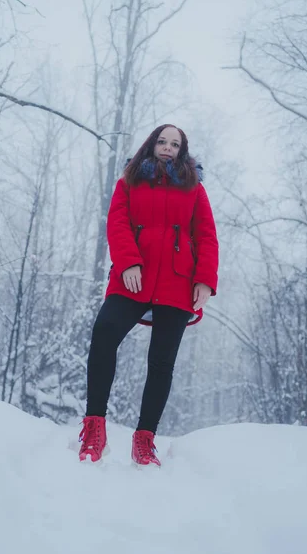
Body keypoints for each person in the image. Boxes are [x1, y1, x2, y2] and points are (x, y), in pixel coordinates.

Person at [78, 124, 219, 466]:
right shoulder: (129, 181)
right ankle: (95, 428)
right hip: (133, 278)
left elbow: (206, 235)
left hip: (177, 282)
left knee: (161, 362)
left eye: (175, 143)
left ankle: (144, 440)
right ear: (152, 144)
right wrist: (128, 262)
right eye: (162, 141)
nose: (168, 147)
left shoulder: (194, 189)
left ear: (182, 150)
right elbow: (117, 223)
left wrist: (204, 280)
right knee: (104, 333)